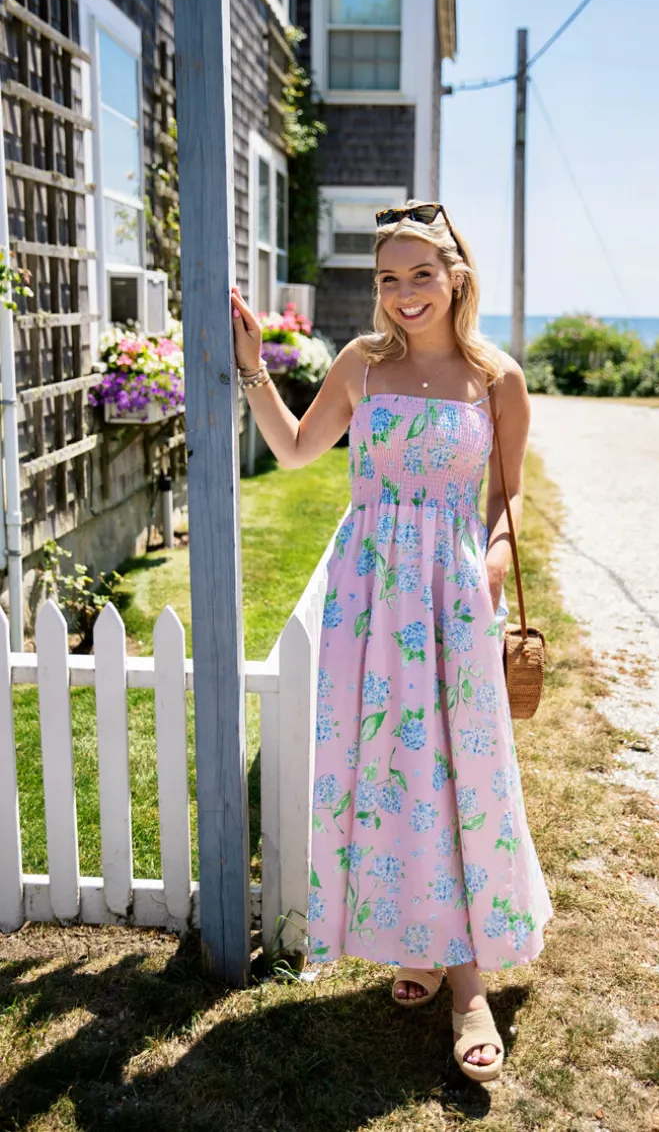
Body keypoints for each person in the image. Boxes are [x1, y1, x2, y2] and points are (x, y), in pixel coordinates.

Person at [231, 201, 553, 1082]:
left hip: (451, 599)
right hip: (369, 599)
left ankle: (468, 983)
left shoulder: (497, 378)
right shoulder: (362, 365)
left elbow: (509, 494)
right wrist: (255, 369)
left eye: (421, 273)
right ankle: (419, 940)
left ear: (456, 276)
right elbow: (296, 450)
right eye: (388, 277)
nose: (405, 293)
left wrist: (493, 556)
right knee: (388, 770)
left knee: (458, 774)